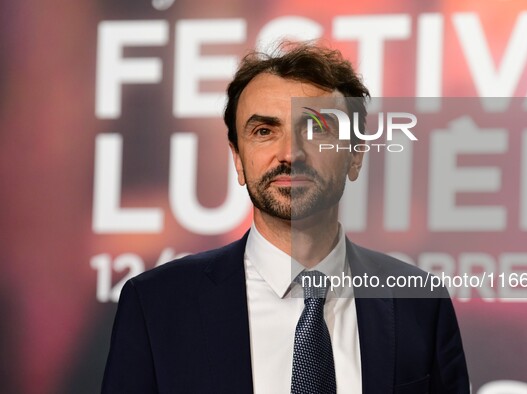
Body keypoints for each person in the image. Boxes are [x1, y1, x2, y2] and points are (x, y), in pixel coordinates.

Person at [102, 42, 470, 393]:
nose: (290, 153)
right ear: (237, 158)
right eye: (264, 131)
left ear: (355, 155)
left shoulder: (420, 303)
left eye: (315, 128)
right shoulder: (156, 305)